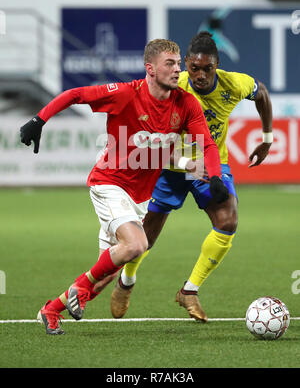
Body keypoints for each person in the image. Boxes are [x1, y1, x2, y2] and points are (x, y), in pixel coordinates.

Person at [20, 38, 229, 335]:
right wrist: (39, 119)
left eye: (178, 63)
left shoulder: (186, 103)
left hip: (139, 198)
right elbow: (76, 94)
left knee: (109, 270)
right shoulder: (125, 94)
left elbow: (206, 143)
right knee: (137, 245)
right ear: (150, 69)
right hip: (109, 183)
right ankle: (80, 288)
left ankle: (52, 309)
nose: (177, 69)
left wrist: (216, 176)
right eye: (170, 64)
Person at [108, 32, 273, 322]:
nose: (200, 75)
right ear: (185, 64)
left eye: (207, 68)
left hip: (210, 164)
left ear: (217, 66)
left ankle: (190, 290)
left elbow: (262, 93)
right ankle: (127, 280)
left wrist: (268, 138)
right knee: (146, 237)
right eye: (194, 68)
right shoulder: (174, 83)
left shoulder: (235, 84)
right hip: (169, 166)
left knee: (228, 221)